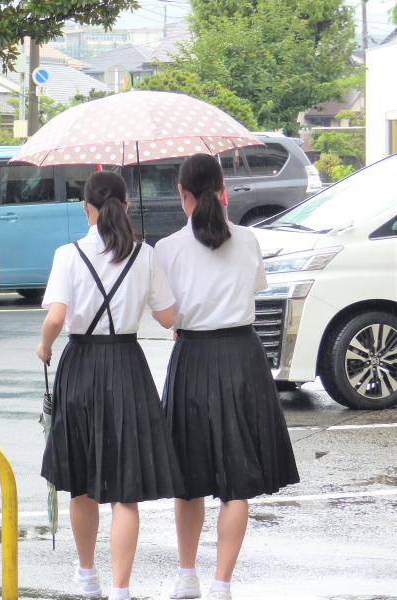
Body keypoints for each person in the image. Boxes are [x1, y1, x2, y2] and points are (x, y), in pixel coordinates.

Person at [154, 154, 300, 600]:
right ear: (223, 190)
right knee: (237, 480)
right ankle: (222, 583)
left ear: (182, 194)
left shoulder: (167, 248)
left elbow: (167, 314)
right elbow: (251, 288)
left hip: (193, 355)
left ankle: (186, 576)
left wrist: (183, 316)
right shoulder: (248, 239)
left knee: (188, 477)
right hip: (241, 355)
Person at [36, 171, 183, 600]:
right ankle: (121, 589)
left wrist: (44, 346)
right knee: (125, 489)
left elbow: (56, 317)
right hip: (126, 365)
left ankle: (87, 575)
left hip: (80, 365)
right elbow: (168, 317)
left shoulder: (68, 254)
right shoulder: (145, 254)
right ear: (127, 206)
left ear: (87, 208)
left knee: (81, 482)